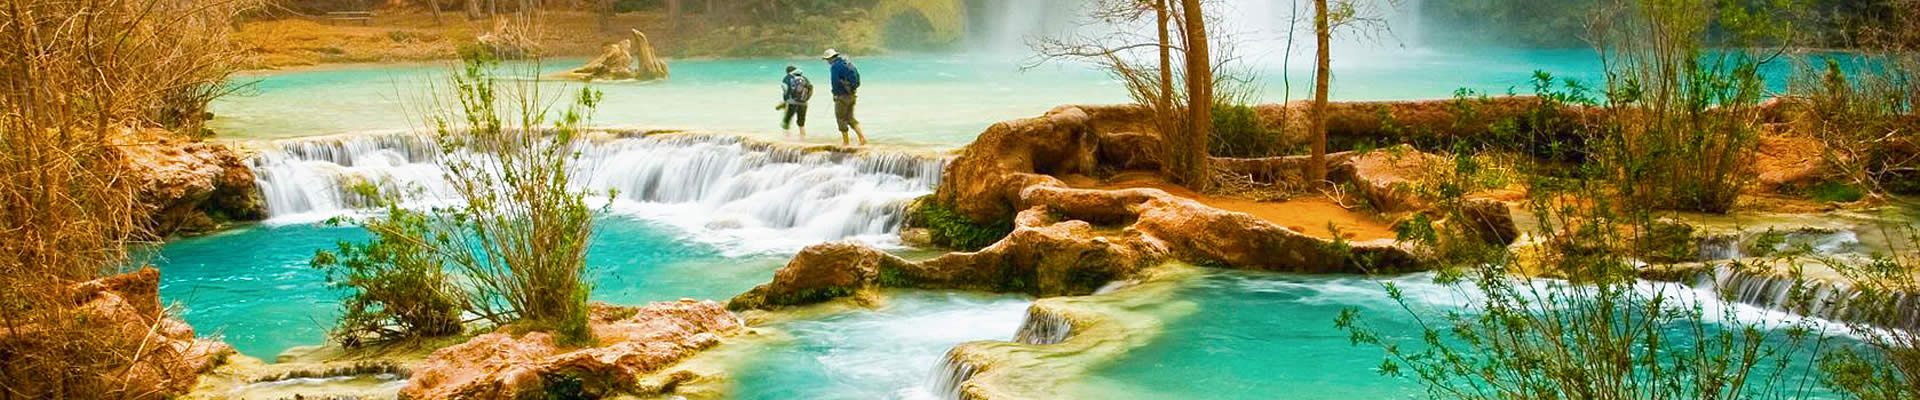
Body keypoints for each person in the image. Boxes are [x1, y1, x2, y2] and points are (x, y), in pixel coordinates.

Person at [822, 49, 867, 146]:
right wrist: (851, 89)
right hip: (852, 95)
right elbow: (858, 79)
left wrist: (835, 94)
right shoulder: (848, 63)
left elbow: (835, 82)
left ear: (830, 58)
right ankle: (862, 138)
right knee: (850, 118)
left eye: (827, 59)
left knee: (840, 118)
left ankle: (846, 142)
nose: (827, 61)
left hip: (842, 97)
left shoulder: (835, 67)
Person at [779, 65, 813, 138]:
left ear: (788, 72)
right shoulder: (804, 78)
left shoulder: (787, 78)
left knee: (786, 121)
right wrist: (806, 99)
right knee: (801, 122)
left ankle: (786, 138)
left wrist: (785, 101)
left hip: (792, 102)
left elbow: (785, 90)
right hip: (804, 103)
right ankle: (803, 138)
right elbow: (810, 89)